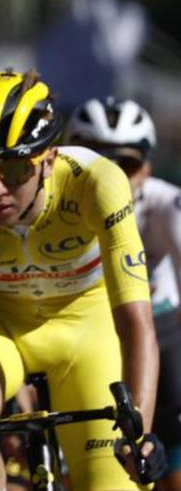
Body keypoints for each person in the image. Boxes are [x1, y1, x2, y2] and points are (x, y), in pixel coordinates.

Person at [0, 71, 162, 490]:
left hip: (85, 326)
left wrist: (140, 435)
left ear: (49, 158)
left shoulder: (97, 182)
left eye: (16, 169)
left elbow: (136, 324)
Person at [66, 96, 181, 490]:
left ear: (147, 168)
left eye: (126, 164)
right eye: (97, 160)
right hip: (86, 333)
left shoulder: (167, 204)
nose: (111, 176)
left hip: (162, 328)